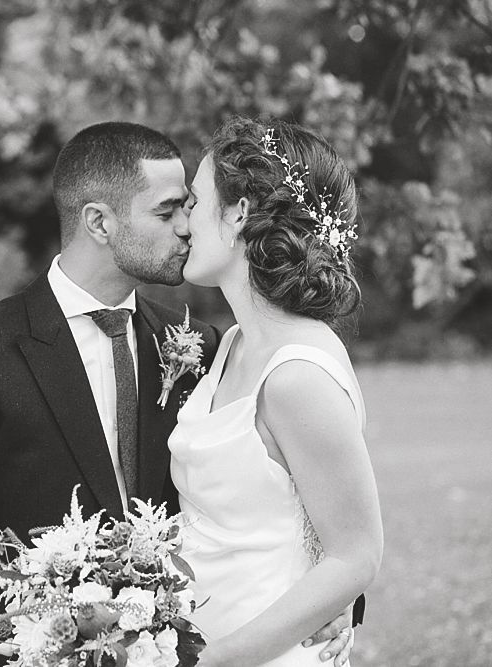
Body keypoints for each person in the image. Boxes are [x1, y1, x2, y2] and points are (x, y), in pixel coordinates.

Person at [0, 121, 356, 666]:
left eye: (189, 206)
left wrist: (335, 599)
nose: (186, 227)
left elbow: (302, 492)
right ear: (99, 222)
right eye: (166, 213)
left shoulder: (200, 348)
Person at [170, 116, 384, 666]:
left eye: (194, 201)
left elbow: (356, 554)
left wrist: (211, 661)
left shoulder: (297, 374)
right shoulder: (233, 344)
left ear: (239, 212)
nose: (183, 220)